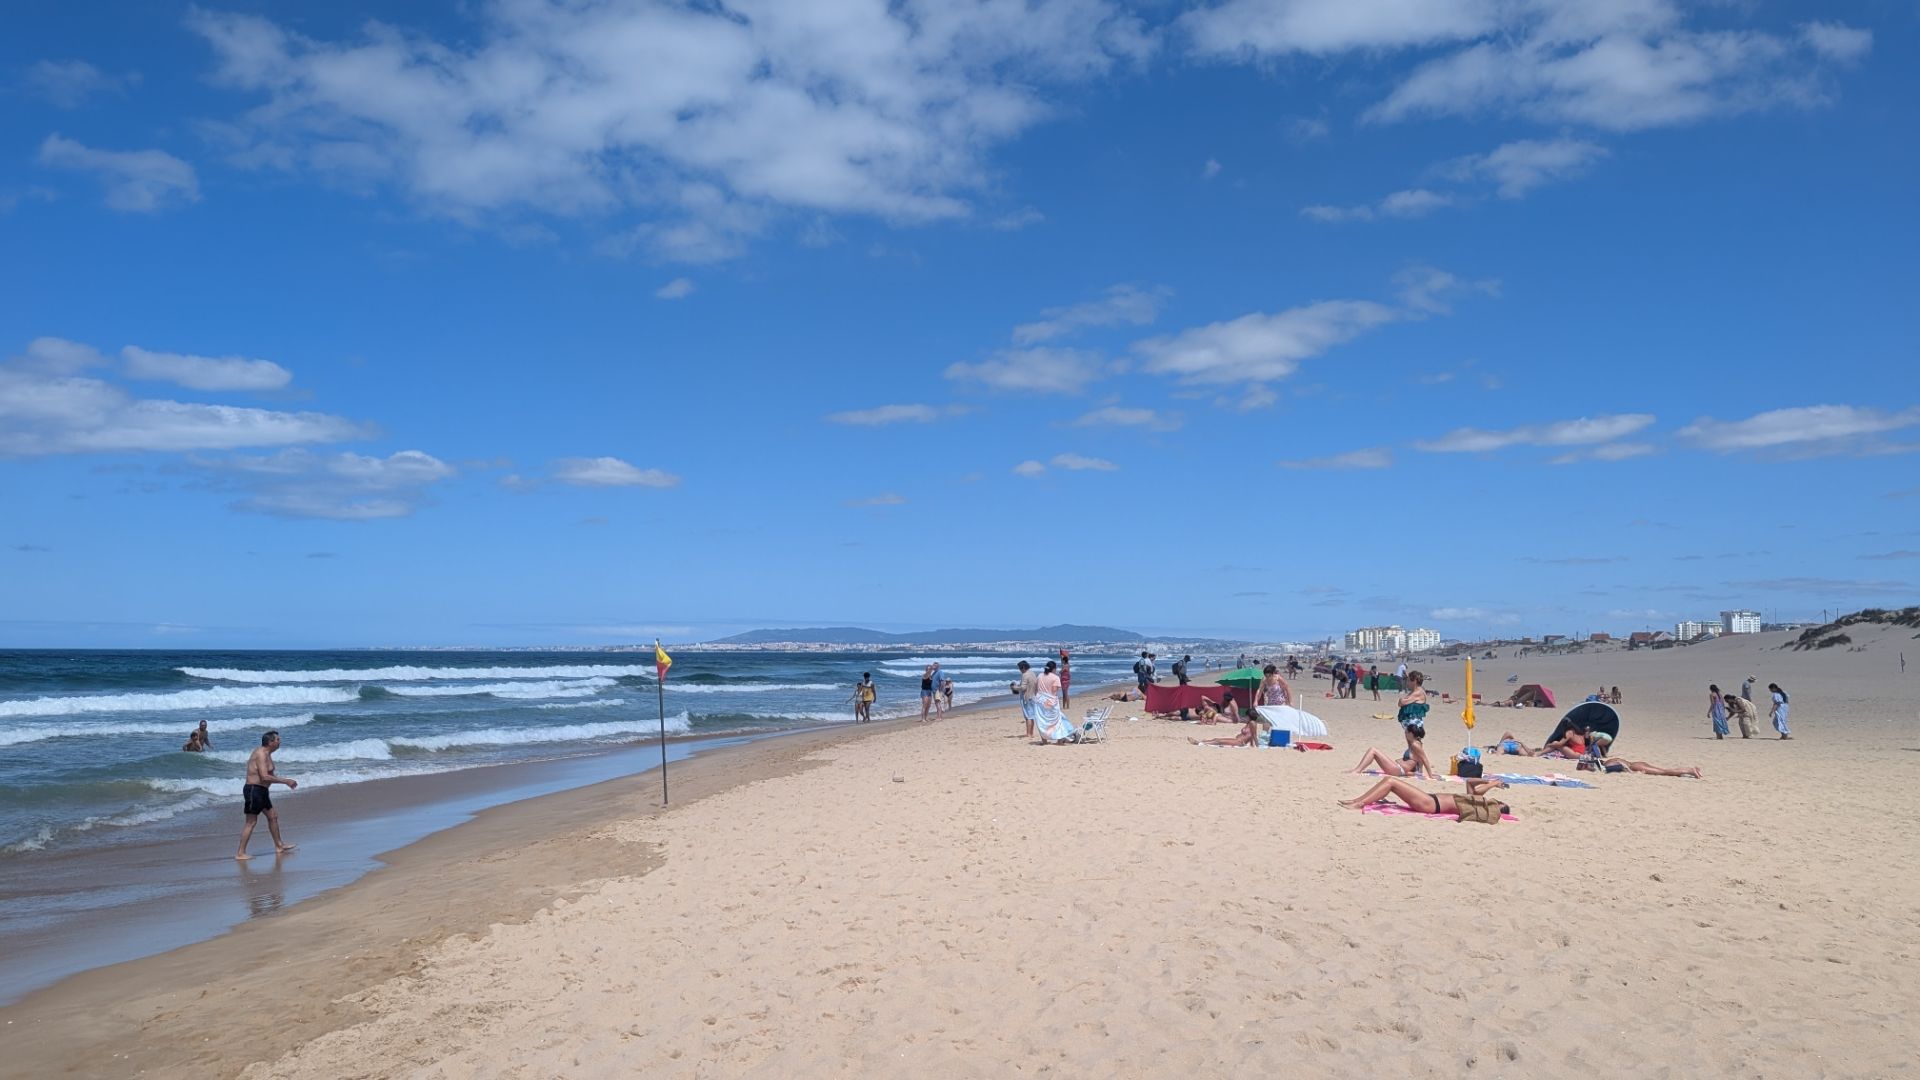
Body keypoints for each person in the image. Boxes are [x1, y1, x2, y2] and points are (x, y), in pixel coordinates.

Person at [235, 730, 297, 860]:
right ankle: (240, 853)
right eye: (277, 740)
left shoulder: (268, 754)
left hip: (262, 791)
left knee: (273, 816)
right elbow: (264, 776)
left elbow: (270, 776)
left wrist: (286, 782)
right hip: (253, 790)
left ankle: (279, 845)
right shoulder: (261, 754)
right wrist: (286, 781)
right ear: (270, 742)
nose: (280, 742)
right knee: (251, 822)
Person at [1338, 775, 1513, 818]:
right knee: (1389, 781)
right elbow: (1470, 783)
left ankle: (1358, 803)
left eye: (1498, 803)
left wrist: (1493, 785)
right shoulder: (1473, 801)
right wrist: (1487, 779)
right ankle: (1356, 801)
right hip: (1429, 800)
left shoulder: (1482, 806)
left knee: (1391, 782)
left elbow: (1480, 793)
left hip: (1429, 804)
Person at [1396, 671, 1436, 779]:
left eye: (1409, 680)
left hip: (1413, 723)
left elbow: (1402, 702)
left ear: (1414, 681)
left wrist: (1402, 700)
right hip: (1409, 723)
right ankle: (1417, 769)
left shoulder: (1418, 692)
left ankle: (1425, 771)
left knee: (1416, 746)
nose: (1407, 683)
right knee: (1412, 748)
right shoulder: (1414, 691)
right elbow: (1401, 702)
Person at [1190, 712, 1269, 748]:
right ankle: (1202, 741)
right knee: (1216, 739)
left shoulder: (1252, 723)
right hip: (1237, 740)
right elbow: (1251, 734)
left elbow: (1253, 735)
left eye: (1246, 715)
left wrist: (1256, 746)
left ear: (1250, 716)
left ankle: (1199, 743)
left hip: (1240, 742)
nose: (1245, 717)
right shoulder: (1249, 723)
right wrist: (1252, 744)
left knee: (1219, 741)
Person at [1588, 757, 1703, 779]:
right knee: (1664, 771)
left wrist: (1631, 773)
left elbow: (1620, 763)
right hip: (1637, 763)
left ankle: (1691, 770)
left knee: (1664, 772)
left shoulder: (1607, 764)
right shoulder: (1608, 762)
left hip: (1635, 766)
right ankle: (1691, 771)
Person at [1012, 660, 1039, 739]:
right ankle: (1031, 733)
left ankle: (1028, 734)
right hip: (1033, 696)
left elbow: (1023, 687)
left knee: (1028, 717)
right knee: (1031, 716)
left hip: (1026, 697)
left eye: (1020, 668)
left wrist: (1015, 687)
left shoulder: (1025, 675)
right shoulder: (1032, 673)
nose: (1019, 670)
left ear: (1023, 667)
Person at [1348, 746, 1422, 775]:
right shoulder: (1413, 745)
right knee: (1374, 752)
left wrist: (1407, 773)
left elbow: (1420, 768)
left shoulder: (1417, 747)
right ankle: (1357, 769)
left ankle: (1357, 770)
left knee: (1373, 750)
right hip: (1397, 768)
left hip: (1398, 769)